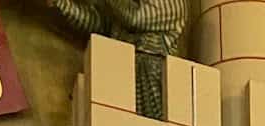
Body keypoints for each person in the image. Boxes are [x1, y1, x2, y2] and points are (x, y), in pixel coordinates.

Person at [45, 0, 190, 119]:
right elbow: (98, 24)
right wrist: (62, 4)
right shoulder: (122, 6)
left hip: (150, 78)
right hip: (118, 75)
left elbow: (136, 18)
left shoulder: (174, 3)